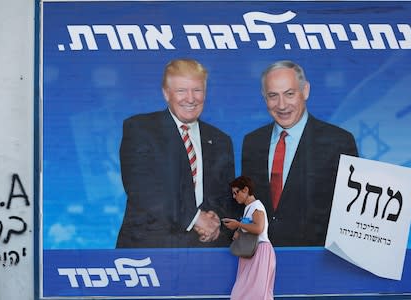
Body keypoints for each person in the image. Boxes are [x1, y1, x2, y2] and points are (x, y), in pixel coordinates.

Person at [116, 58, 238, 248]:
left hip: (207, 250)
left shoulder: (221, 139)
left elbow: (226, 196)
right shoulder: (141, 129)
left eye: (197, 90)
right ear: (166, 94)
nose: (190, 98)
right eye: (181, 91)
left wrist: (215, 221)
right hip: (151, 250)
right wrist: (196, 218)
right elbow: (143, 190)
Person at [241, 60, 358, 247]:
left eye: (289, 94)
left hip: (316, 260)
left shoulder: (338, 142)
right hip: (261, 257)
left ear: (305, 91)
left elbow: (350, 211)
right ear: (264, 98)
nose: (281, 105)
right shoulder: (252, 142)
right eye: (273, 96)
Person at [222, 176, 276, 300]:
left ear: (245, 190)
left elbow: (259, 228)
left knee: (256, 292)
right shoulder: (249, 208)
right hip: (250, 253)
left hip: (260, 251)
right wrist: (239, 231)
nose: (234, 196)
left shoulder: (256, 206)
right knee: (243, 291)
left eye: (236, 192)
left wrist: (238, 224)